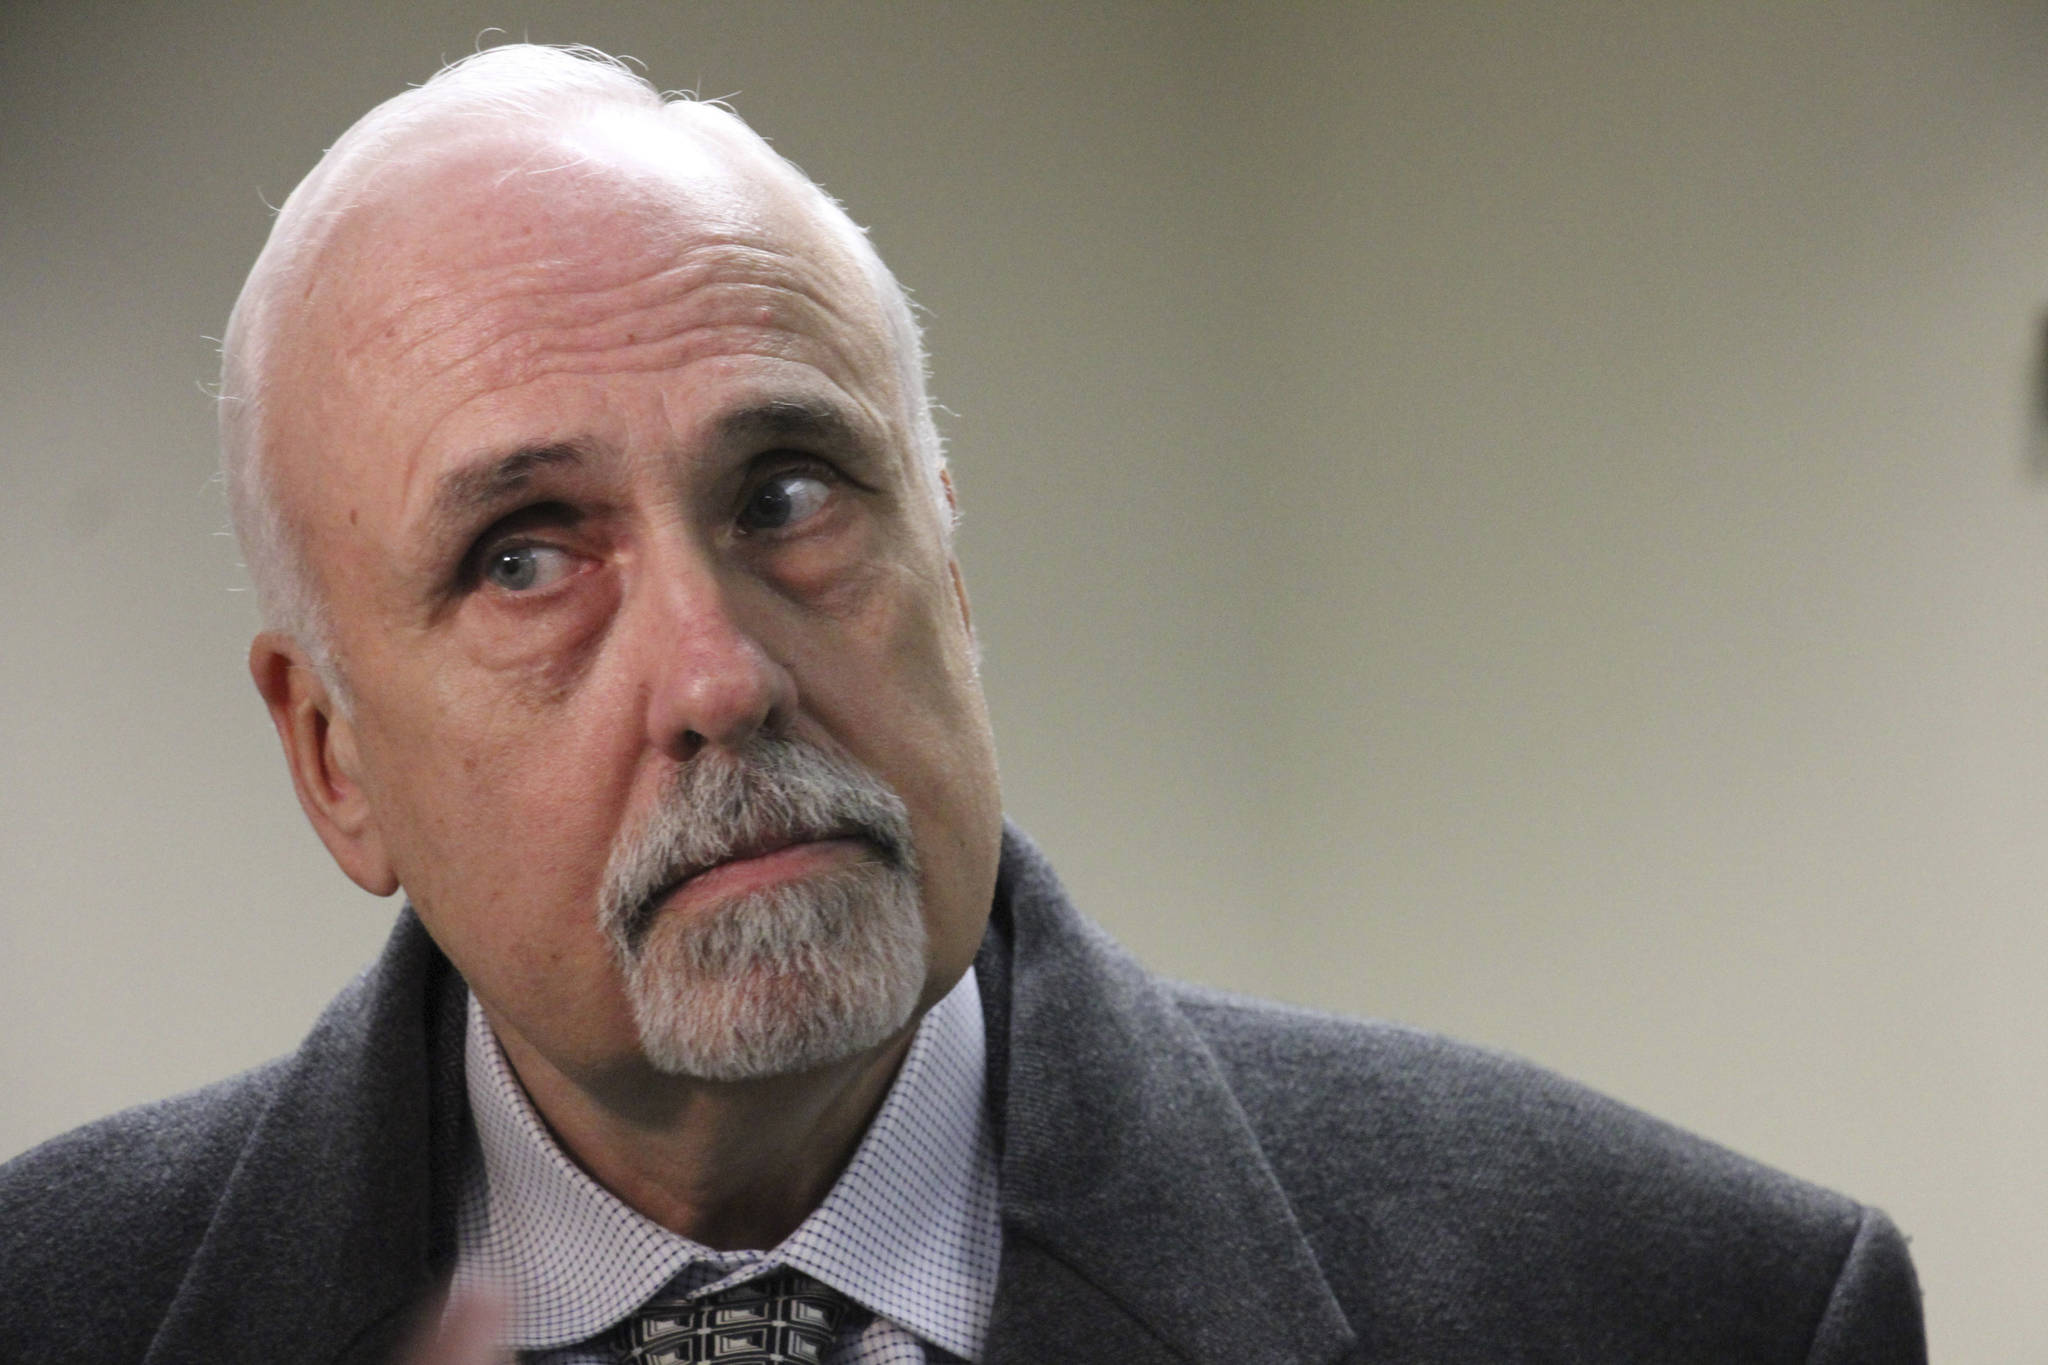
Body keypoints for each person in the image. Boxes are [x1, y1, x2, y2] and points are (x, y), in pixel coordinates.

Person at [0, 43, 1925, 1365]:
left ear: (956, 576)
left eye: (788, 496)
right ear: (335, 761)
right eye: (524, 553)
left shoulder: (1687, 1305)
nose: (723, 674)